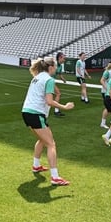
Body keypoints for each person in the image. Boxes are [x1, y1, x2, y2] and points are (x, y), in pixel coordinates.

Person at [21, 56, 75, 186]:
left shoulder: (37, 77)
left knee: (42, 140)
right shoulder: (48, 79)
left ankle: (36, 165)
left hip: (27, 112)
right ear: (50, 67)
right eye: (55, 67)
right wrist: (65, 107)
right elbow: (49, 101)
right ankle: (55, 177)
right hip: (36, 113)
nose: (56, 69)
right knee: (51, 144)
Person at [99, 62, 111, 129]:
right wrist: (106, 88)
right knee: (107, 107)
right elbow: (101, 80)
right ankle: (102, 123)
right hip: (106, 92)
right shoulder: (107, 72)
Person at [53, 52, 68, 117]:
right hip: (48, 81)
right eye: (63, 59)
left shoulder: (60, 66)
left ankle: (56, 110)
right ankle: (56, 111)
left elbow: (59, 74)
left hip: (51, 81)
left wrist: (63, 79)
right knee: (58, 94)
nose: (64, 60)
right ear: (59, 58)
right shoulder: (54, 64)